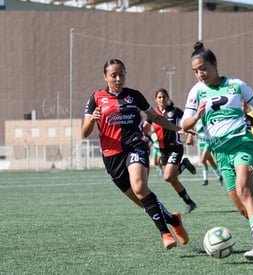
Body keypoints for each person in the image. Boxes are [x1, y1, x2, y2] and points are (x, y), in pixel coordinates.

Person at [181, 42, 253, 260]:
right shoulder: (196, 92)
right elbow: (184, 124)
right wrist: (196, 117)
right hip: (220, 153)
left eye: (203, 68)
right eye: (195, 71)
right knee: (245, 208)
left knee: (245, 191)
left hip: (244, 143)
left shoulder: (236, 85)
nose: (200, 74)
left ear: (215, 64)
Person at [81, 59, 188, 250]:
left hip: (135, 146)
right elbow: (84, 133)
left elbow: (155, 118)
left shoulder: (134, 96)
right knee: (141, 201)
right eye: (114, 75)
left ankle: (165, 233)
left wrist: (178, 128)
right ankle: (173, 219)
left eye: (121, 74)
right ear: (105, 77)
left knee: (140, 187)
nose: (118, 78)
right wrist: (92, 120)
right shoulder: (96, 98)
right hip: (111, 157)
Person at [143, 88, 197, 214]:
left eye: (164, 97)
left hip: (175, 148)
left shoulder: (175, 111)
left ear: (167, 98)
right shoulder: (153, 114)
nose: (162, 99)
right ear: (156, 99)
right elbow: (145, 128)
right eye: (159, 97)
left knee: (167, 177)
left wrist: (189, 136)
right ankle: (189, 202)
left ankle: (183, 164)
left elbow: (188, 122)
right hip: (163, 151)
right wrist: (144, 137)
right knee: (173, 180)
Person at [196, 119, 224, 186]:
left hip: (208, 142)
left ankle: (205, 180)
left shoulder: (207, 118)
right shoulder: (196, 120)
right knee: (210, 160)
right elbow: (195, 130)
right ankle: (219, 176)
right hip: (201, 142)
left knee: (203, 160)